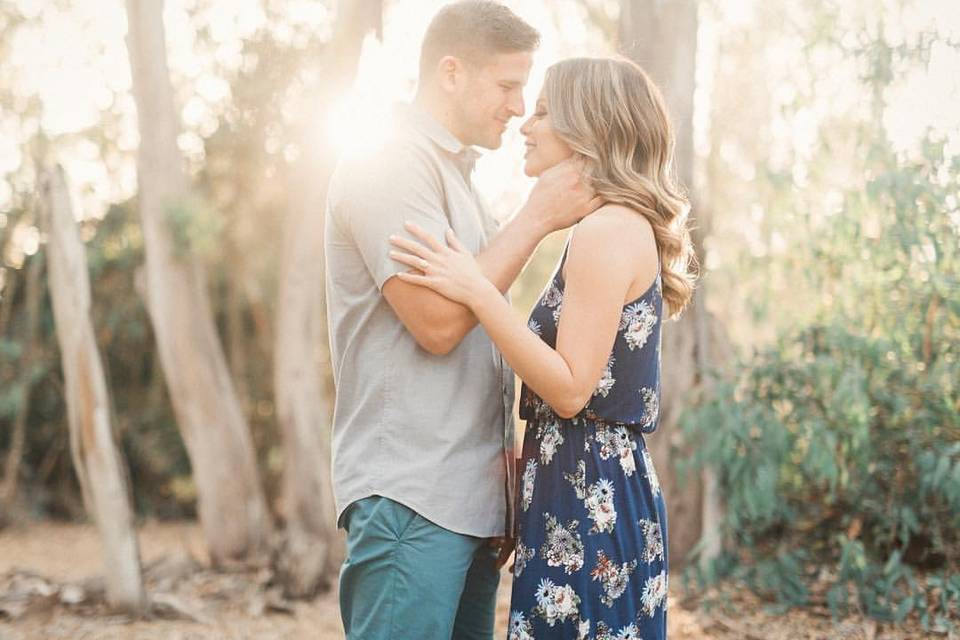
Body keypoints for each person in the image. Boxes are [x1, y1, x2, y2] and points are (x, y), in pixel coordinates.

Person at [389, 57, 696, 640]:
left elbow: (570, 388)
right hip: (579, 485)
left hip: (589, 497)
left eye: (544, 112)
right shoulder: (613, 227)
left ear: (592, 128)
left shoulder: (607, 230)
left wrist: (479, 291)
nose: (525, 125)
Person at [324, 3, 601, 638]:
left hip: (466, 503)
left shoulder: (461, 182)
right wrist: (535, 219)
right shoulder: (389, 163)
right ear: (451, 72)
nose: (517, 105)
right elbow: (440, 324)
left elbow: (480, 340)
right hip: (411, 497)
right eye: (508, 85)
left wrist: (498, 494)